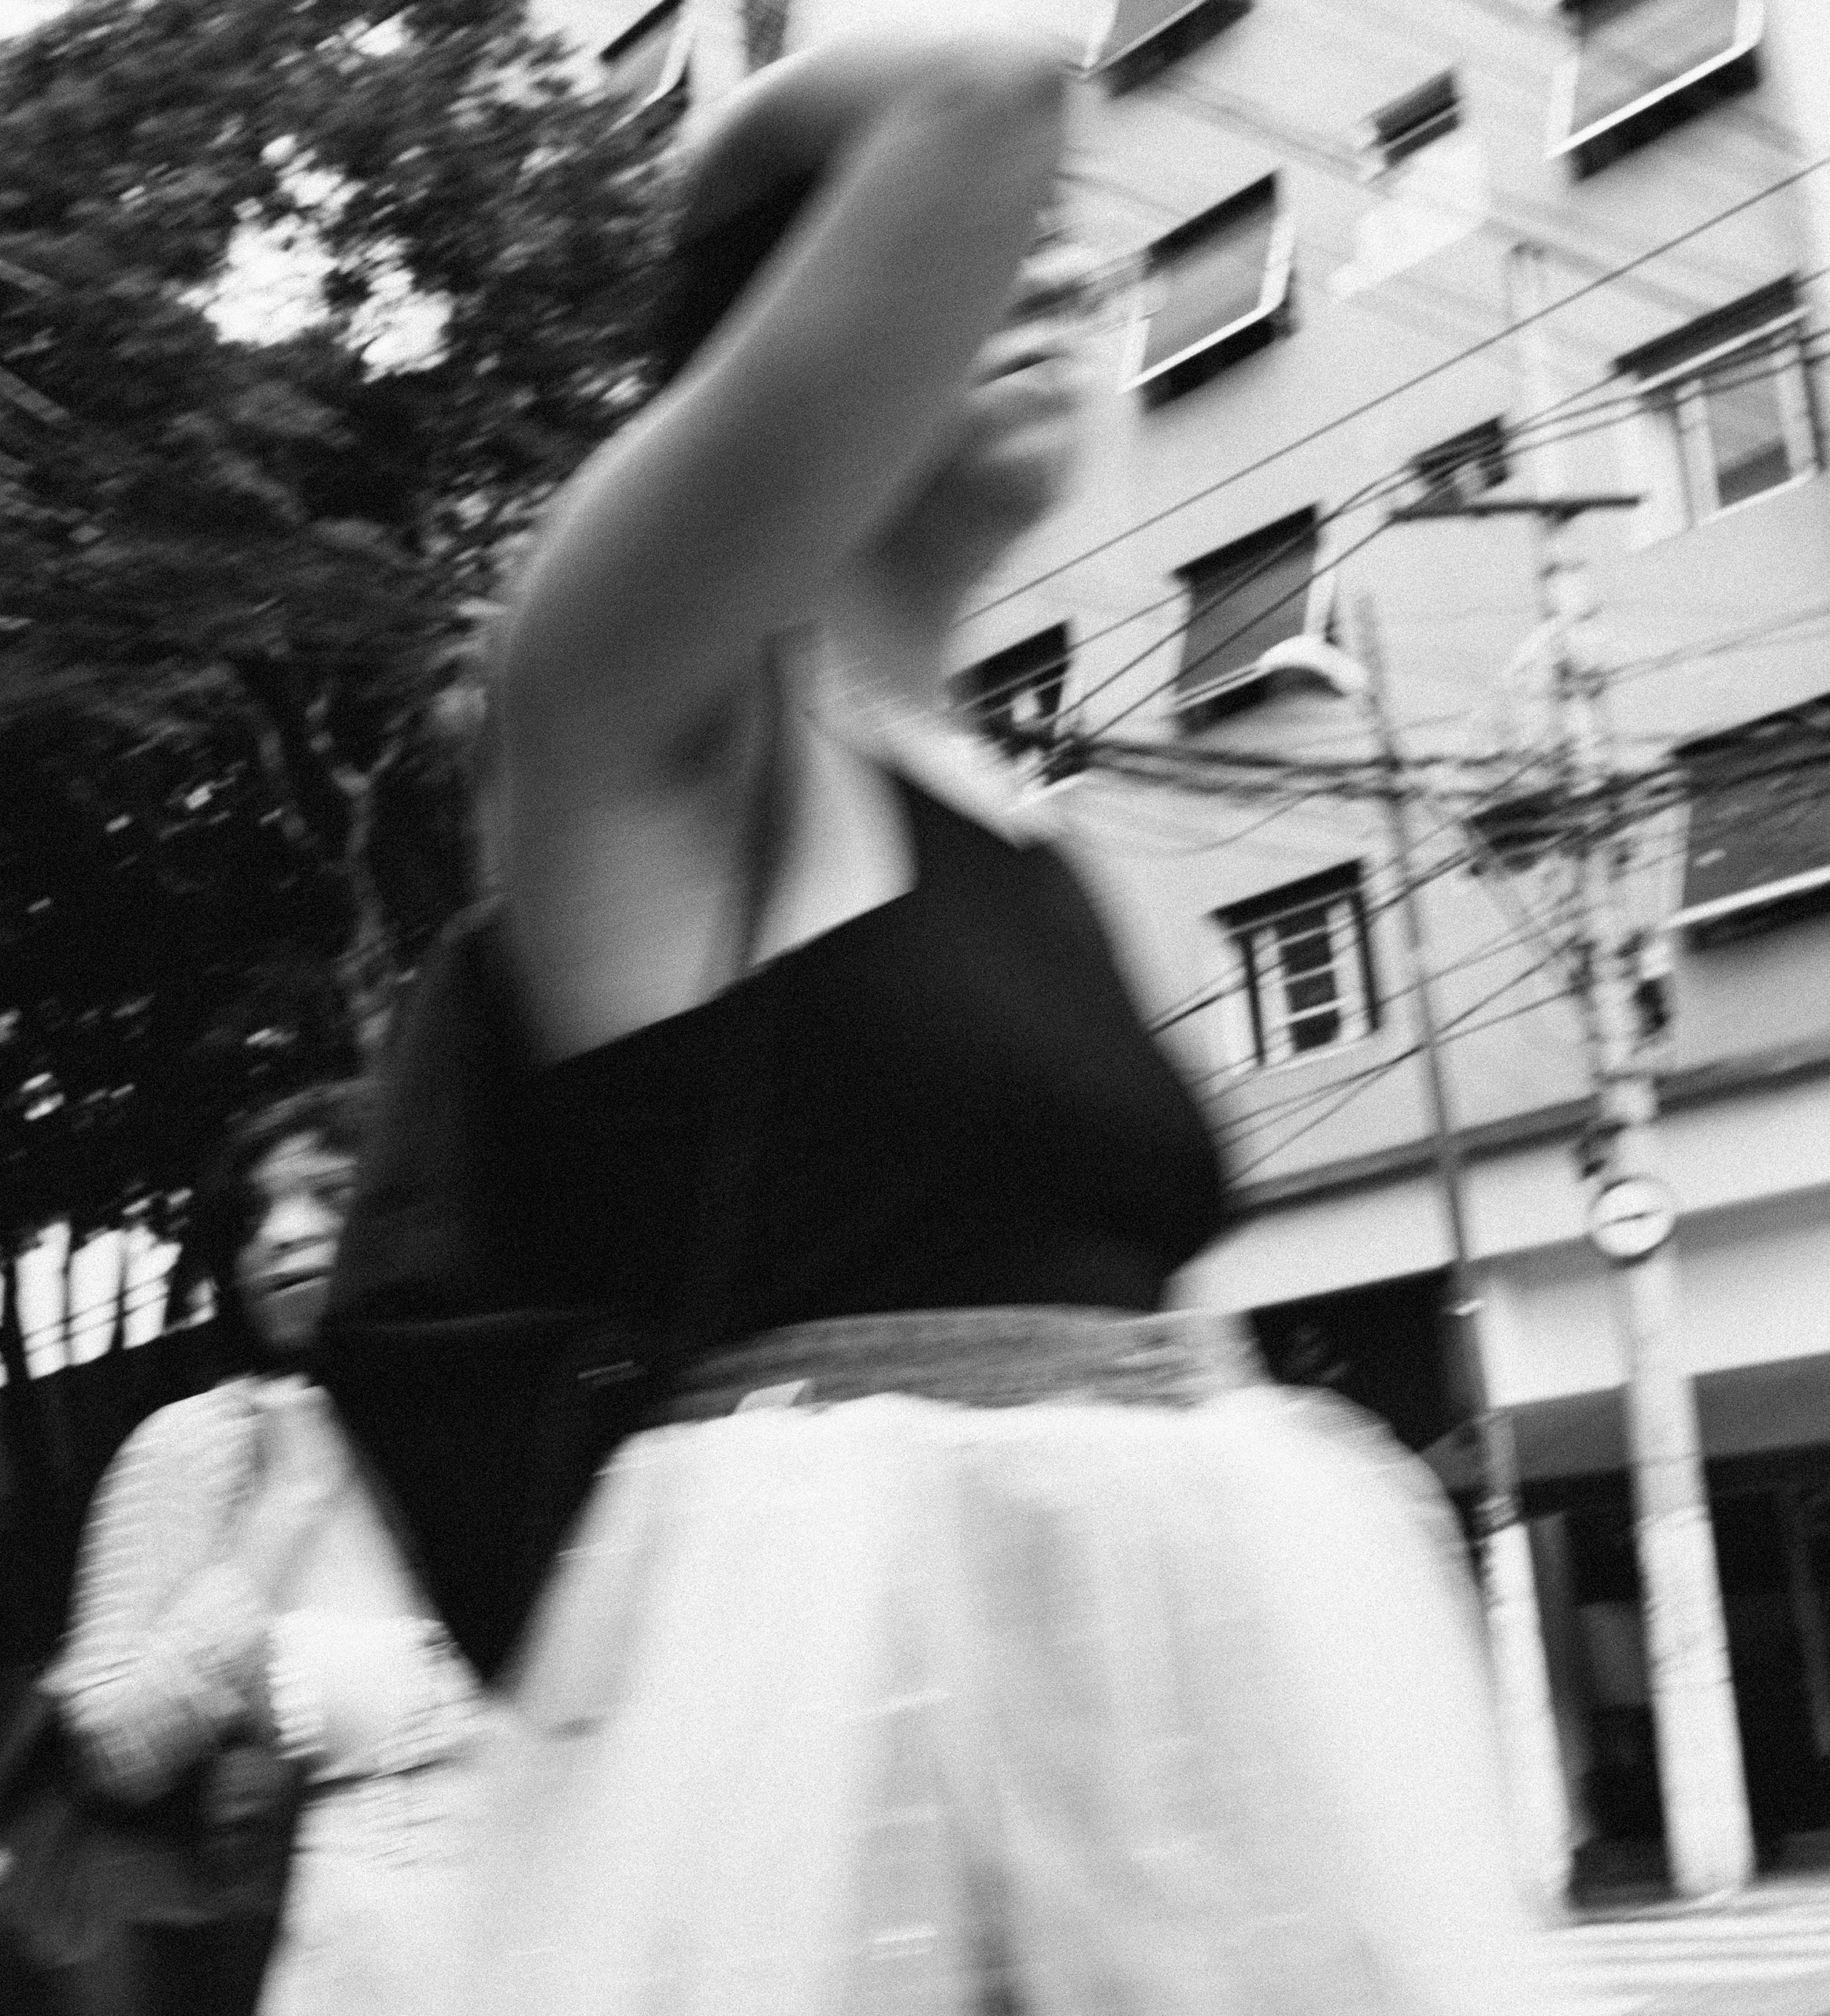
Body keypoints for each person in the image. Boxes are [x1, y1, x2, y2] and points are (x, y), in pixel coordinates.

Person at [405, 22, 1583, 2015]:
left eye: (1076, 262)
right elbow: (992, 86)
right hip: (828, 1767)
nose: (1060, 280)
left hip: (1153, 1770)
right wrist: (734, 156)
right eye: (991, 254)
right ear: (801, 335)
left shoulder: (1030, 820)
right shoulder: (642, 708)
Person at [45, 1081, 489, 2016]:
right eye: (252, 1217)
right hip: (322, 1963)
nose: (282, 1234)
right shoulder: (193, 1447)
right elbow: (112, 1742)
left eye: (330, 1193)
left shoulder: (496, 1417)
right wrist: (278, 1518)